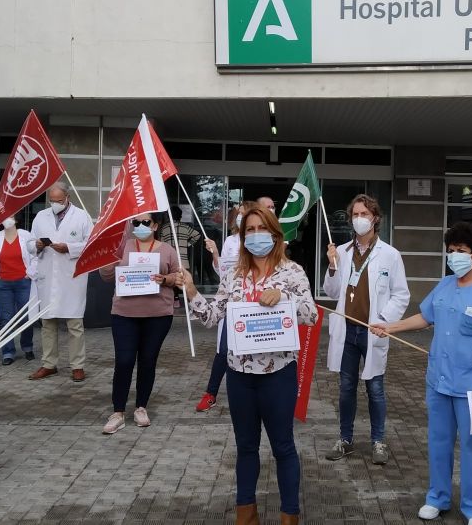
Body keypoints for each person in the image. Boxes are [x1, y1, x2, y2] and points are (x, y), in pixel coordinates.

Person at [182, 204, 317, 525]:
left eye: (262, 229)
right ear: (243, 237)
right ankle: (246, 514)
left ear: (275, 234)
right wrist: (191, 290)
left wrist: (284, 298)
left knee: (283, 447)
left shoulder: (292, 271)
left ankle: (289, 516)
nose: (256, 236)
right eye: (250, 231)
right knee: (245, 447)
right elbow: (211, 317)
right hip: (239, 376)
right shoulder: (233, 275)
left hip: (278, 376)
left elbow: (311, 315)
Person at [372, 222, 472, 525]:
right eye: (450, 251)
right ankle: (437, 497)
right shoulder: (444, 285)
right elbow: (425, 317)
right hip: (439, 382)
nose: (454, 256)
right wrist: (389, 326)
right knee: (438, 443)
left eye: (460, 251)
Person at [323, 194, 409, 464]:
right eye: (355, 214)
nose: (359, 219)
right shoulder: (342, 252)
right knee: (346, 387)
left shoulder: (390, 255)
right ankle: (345, 440)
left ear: (375, 219)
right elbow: (331, 291)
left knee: (375, 388)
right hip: (347, 330)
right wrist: (332, 265)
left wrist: (384, 319)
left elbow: (401, 295)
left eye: (365, 214)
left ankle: (378, 442)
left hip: (373, 330)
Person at [98, 213, 183, 434]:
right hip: (124, 313)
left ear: (155, 225)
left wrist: (165, 279)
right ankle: (118, 412)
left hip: (158, 315)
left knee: (148, 361)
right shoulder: (121, 247)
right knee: (124, 361)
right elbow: (106, 276)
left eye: (146, 222)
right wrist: (106, 258)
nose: (140, 226)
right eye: (136, 222)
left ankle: (141, 407)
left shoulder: (167, 250)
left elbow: (178, 277)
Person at [28, 182, 92, 382]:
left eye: (59, 200)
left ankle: (77, 366)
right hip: (48, 276)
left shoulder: (81, 216)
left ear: (67, 198)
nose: (55, 204)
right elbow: (29, 243)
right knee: (47, 323)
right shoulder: (41, 216)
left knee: (74, 324)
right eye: (52, 200)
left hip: (72, 277)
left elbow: (91, 244)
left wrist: (69, 248)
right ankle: (49, 364)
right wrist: (37, 245)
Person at [195, 201, 252, 412]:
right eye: (239, 214)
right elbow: (222, 273)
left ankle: (249, 395)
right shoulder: (231, 240)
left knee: (251, 349)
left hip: (254, 304)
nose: (241, 217)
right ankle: (211, 393)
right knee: (225, 349)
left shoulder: (260, 241)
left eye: (245, 213)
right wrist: (215, 254)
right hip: (232, 303)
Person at [0, 214, 38, 365]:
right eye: (4, 217)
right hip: (3, 284)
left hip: (23, 282)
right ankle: (7, 352)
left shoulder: (26, 235)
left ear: (16, 219)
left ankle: (27, 347)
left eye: (10, 216)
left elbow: (35, 257)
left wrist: (29, 274)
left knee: (25, 317)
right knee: (5, 318)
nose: (6, 219)